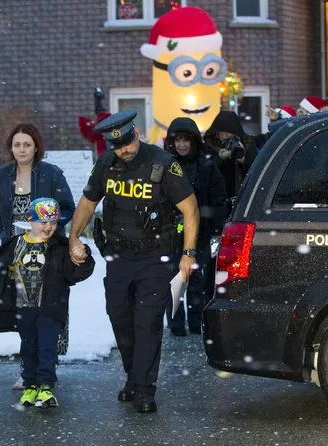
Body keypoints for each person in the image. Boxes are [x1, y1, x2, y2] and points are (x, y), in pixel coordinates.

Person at [68, 110, 199, 413]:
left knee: (148, 322)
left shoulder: (163, 164)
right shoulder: (107, 163)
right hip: (118, 256)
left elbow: (190, 209)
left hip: (155, 257)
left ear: (137, 134)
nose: (123, 150)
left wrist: (188, 255)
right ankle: (132, 378)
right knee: (120, 319)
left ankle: (145, 389)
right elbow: (88, 201)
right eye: (116, 146)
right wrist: (74, 236)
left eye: (126, 143)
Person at [0, 122, 75, 389]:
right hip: (14, 253)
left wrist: (48, 224)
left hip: (46, 251)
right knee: (24, 314)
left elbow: (69, 207)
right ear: (10, 148)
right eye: (16, 145)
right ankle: (28, 371)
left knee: (48, 310)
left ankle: (47, 368)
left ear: (36, 147)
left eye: (27, 144)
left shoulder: (51, 174)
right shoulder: (0, 177)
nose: (21, 149)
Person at [0, 198, 95, 408]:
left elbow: (75, 274)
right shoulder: (16, 244)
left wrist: (83, 258)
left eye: (52, 222)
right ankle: (30, 385)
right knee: (28, 347)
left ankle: (45, 386)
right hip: (23, 309)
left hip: (50, 308)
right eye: (43, 222)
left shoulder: (58, 247)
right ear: (29, 220)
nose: (48, 227)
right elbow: (2, 277)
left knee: (47, 348)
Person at [164, 117, 227, 336]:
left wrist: (217, 226)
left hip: (200, 230)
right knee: (174, 278)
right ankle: (176, 324)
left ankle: (196, 321)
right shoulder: (165, 165)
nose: (182, 145)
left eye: (186, 140)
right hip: (171, 232)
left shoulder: (207, 166)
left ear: (193, 142)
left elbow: (218, 198)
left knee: (197, 279)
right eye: (178, 140)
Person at [204, 110, 256, 201]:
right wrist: (220, 158)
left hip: (242, 196)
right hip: (217, 198)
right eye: (224, 132)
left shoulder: (247, 143)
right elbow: (205, 172)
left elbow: (256, 171)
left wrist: (244, 160)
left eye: (230, 132)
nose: (227, 135)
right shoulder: (209, 146)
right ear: (217, 132)